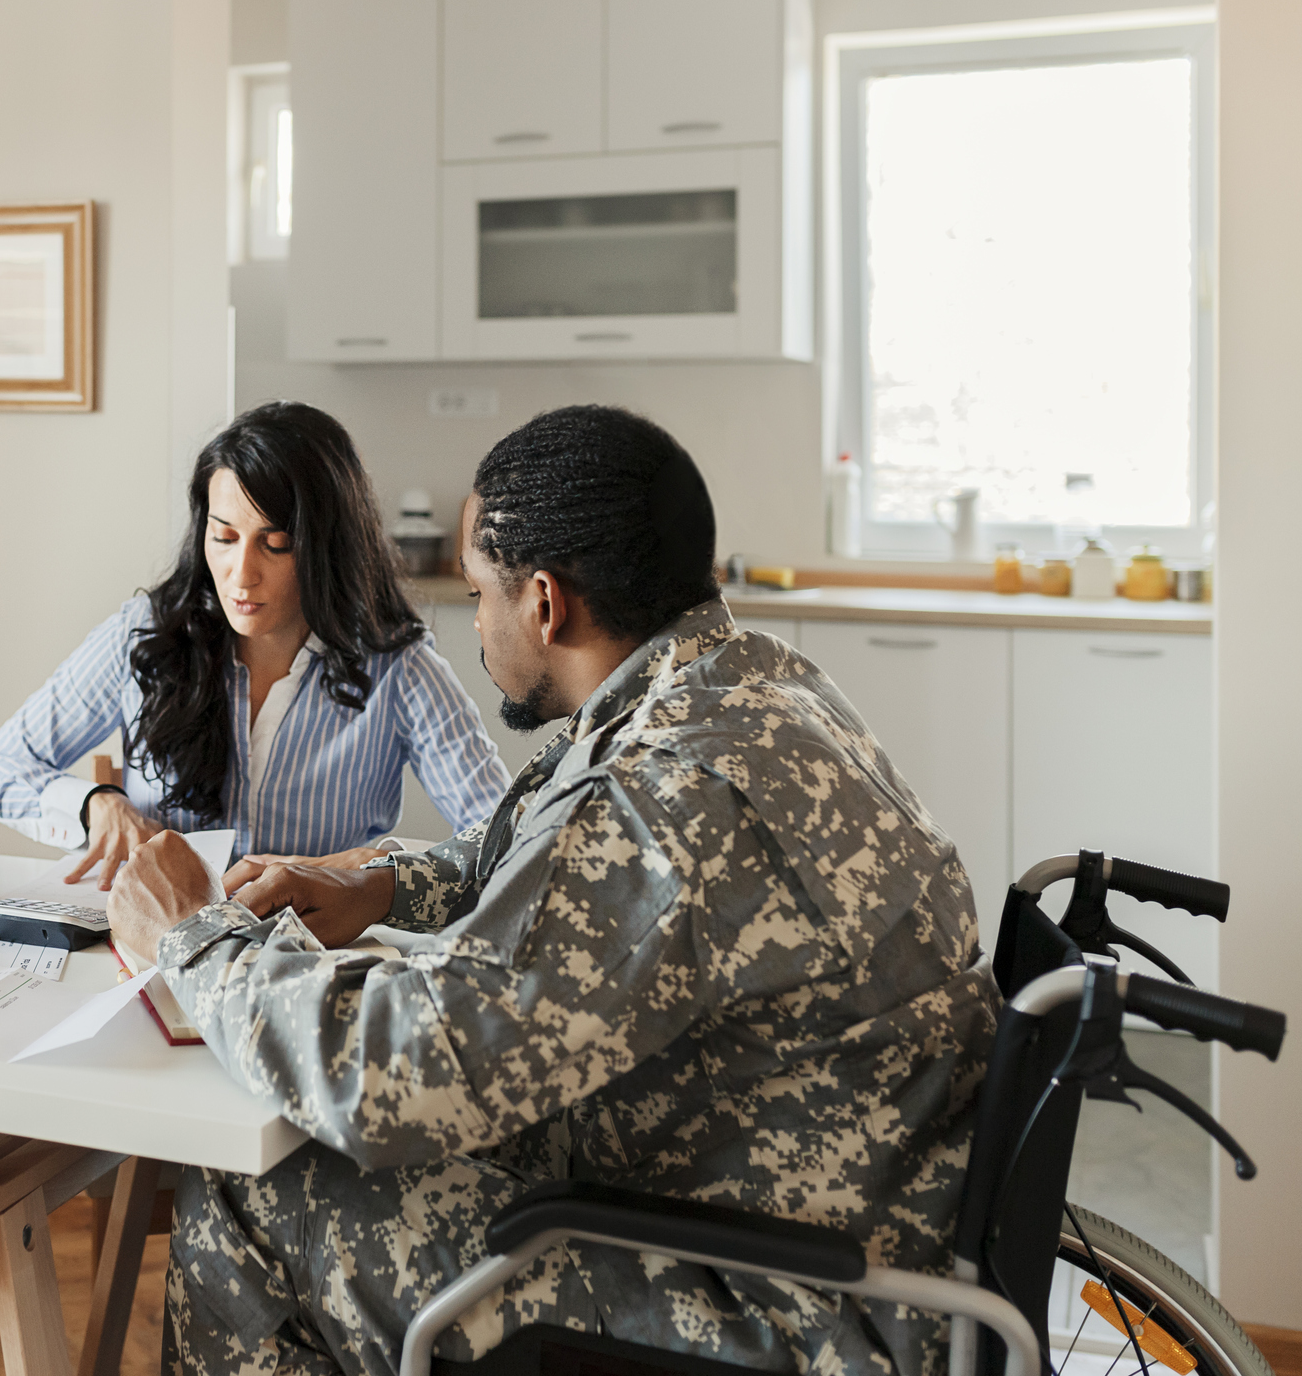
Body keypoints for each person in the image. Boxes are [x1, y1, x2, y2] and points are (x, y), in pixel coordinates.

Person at [107, 404, 1000, 1376]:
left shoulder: (664, 806)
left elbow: (393, 1079)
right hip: (830, 1226)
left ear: (544, 603)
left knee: (263, 1182)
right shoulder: (749, 686)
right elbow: (530, 848)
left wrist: (193, 937)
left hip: (781, 1310)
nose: (474, 618)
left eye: (480, 589)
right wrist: (378, 888)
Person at [0, 401, 509, 887]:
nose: (240, 575)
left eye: (275, 545)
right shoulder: (145, 634)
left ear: (326, 549)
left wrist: (375, 866)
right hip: (155, 947)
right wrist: (94, 804)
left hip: (310, 962)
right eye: (223, 538)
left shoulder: (398, 667)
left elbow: (508, 844)